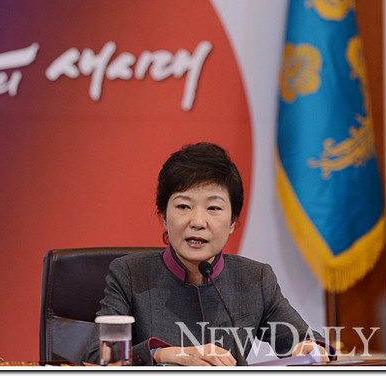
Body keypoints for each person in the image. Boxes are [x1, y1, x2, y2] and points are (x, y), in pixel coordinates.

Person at [81, 142, 335, 366]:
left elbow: (309, 342)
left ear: (233, 222)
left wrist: (311, 349)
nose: (198, 222)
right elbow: (97, 357)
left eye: (213, 208)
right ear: (164, 217)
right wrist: (166, 354)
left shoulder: (254, 279)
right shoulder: (130, 274)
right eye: (184, 206)